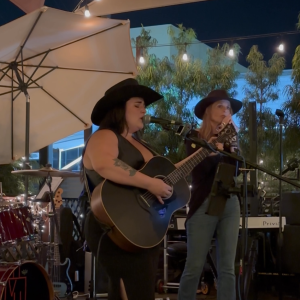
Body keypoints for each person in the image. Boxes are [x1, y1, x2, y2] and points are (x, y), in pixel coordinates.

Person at [81, 78, 173, 300]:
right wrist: (151, 184)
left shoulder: (141, 144)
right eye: (137, 104)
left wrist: (203, 153)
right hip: (112, 225)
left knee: (135, 289)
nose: (144, 110)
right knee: (132, 288)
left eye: (145, 106)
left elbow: (166, 175)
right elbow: (105, 164)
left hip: (141, 227)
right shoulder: (104, 136)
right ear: (120, 108)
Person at [178, 89, 243, 300]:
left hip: (229, 201)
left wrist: (232, 147)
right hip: (204, 203)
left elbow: (236, 170)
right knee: (195, 266)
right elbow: (200, 171)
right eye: (221, 106)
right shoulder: (194, 137)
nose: (226, 111)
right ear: (208, 111)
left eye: (228, 108)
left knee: (228, 268)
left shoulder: (230, 139)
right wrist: (215, 146)